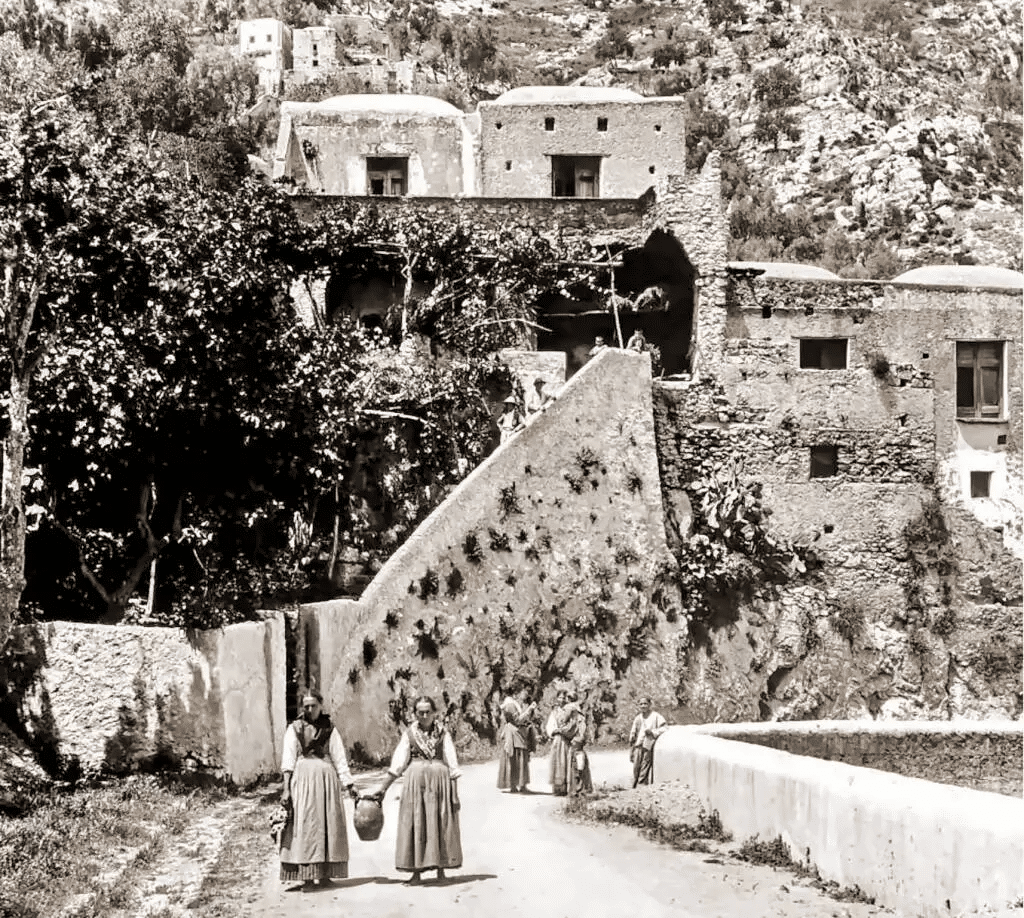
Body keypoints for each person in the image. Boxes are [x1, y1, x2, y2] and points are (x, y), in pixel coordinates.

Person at [367, 695, 462, 885]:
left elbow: (452, 764)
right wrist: (383, 789)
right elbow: (398, 764)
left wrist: (455, 794)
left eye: (428, 711)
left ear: (434, 713)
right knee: (416, 823)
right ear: (415, 714)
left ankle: (441, 872)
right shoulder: (409, 734)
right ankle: (416, 872)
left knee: (440, 822)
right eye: (421, 712)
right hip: (415, 786)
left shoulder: (443, 733)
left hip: (440, 785)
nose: (425, 715)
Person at [279, 689, 359, 889]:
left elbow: (339, 758)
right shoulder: (295, 728)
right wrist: (286, 789)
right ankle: (306, 877)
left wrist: (349, 785)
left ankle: (325, 874)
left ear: (320, 705)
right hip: (303, 780)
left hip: (326, 781)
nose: (310, 709)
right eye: (306, 706)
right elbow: (288, 761)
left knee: (328, 824)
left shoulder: (329, 728)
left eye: (313, 705)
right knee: (306, 825)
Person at [546, 690, 591, 796]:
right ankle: (558, 789)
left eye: (564, 698)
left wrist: (564, 731)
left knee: (569, 764)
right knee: (558, 763)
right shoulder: (555, 711)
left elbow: (572, 725)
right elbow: (550, 726)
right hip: (558, 740)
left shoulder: (570, 710)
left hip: (568, 740)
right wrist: (554, 731)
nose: (561, 700)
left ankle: (570, 788)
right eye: (560, 697)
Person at [497, 682, 538, 793]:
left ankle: (518, 784)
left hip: (518, 732)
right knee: (516, 757)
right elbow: (517, 720)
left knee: (517, 758)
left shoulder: (513, 703)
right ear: (516, 692)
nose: (525, 694)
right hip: (514, 733)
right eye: (523, 691)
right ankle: (515, 784)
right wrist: (529, 709)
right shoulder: (510, 705)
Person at [628, 697, 669, 787]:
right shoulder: (638, 718)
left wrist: (653, 732)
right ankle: (634, 787)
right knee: (636, 767)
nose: (643, 706)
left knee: (645, 765)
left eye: (645, 704)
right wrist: (631, 743)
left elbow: (665, 727)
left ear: (649, 705)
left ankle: (642, 785)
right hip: (638, 745)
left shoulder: (655, 716)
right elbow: (633, 733)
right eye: (641, 704)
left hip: (648, 744)